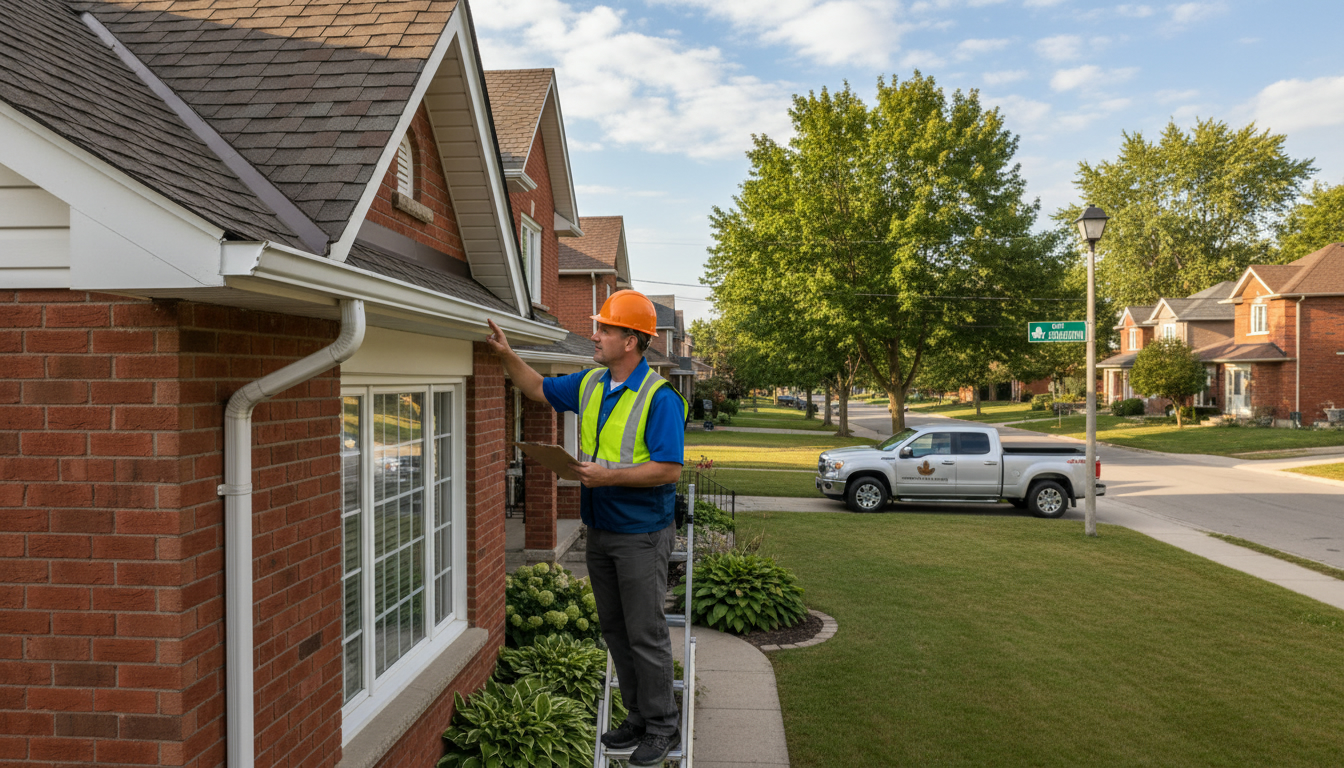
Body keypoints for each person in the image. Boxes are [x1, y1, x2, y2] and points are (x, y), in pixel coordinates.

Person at [485, 289, 688, 767]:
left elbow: (669, 469)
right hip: (601, 529)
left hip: (641, 535)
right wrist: (508, 355)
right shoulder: (592, 383)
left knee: (646, 633)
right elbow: (537, 388)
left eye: (606, 329)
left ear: (633, 342)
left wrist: (609, 475)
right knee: (616, 631)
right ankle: (638, 718)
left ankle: (663, 728)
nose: (595, 335)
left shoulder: (660, 398)